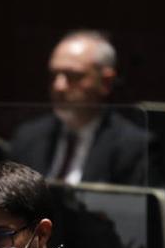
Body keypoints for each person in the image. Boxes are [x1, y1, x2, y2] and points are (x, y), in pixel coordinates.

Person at [9, 31, 148, 187]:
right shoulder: (27, 138)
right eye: (54, 75)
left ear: (106, 82)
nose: (58, 86)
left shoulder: (134, 147)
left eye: (73, 76)